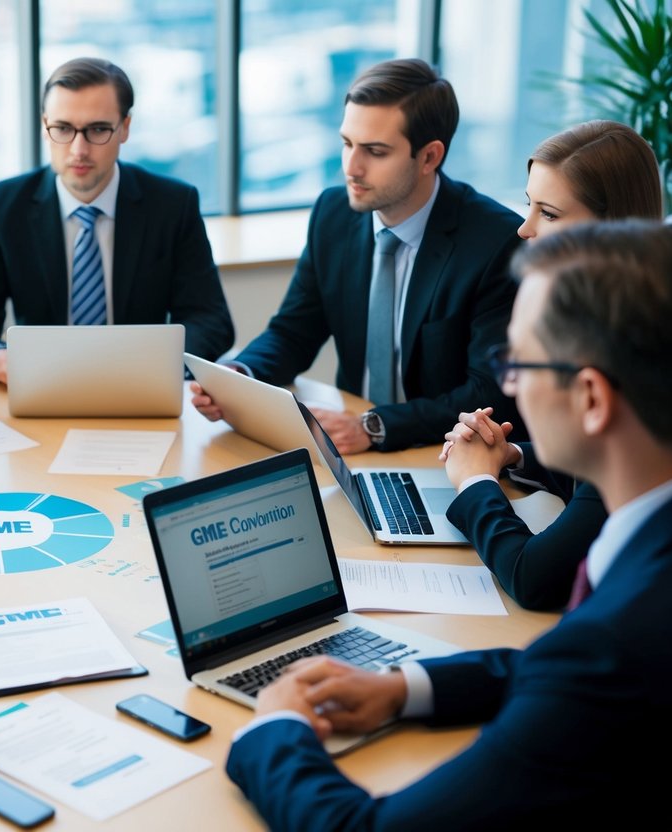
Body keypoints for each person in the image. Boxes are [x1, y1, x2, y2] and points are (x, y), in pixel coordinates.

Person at [226, 220, 672, 829]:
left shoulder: (612, 649)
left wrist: (273, 727)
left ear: (591, 398)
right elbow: (559, 668)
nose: (508, 383)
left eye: (517, 360)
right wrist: (404, 688)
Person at [191, 58, 522, 453]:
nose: (351, 167)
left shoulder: (495, 242)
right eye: (347, 143)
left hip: (445, 451)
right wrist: (240, 376)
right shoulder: (333, 214)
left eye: (375, 151)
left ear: (430, 157)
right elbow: (294, 331)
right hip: (350, 445)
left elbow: (489, 392)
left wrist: (373, 427)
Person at [439, 120, 663, 609]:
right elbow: (593, 492)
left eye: (551, 213)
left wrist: (476, 481)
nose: (525, 229)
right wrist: (512, 456)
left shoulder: (633, 359)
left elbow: (535, 578)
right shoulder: (605, 324)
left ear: (611, 228)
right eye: (529, 204)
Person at [0, 56, 235, 384]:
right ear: (44, 126)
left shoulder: (173, 205)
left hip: (141, 390)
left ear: (124, 128)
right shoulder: (5, 206)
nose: (78, 149)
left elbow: (210, 320)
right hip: (40, 389)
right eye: (63, 129)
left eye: (97, 130)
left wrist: (160, 367)